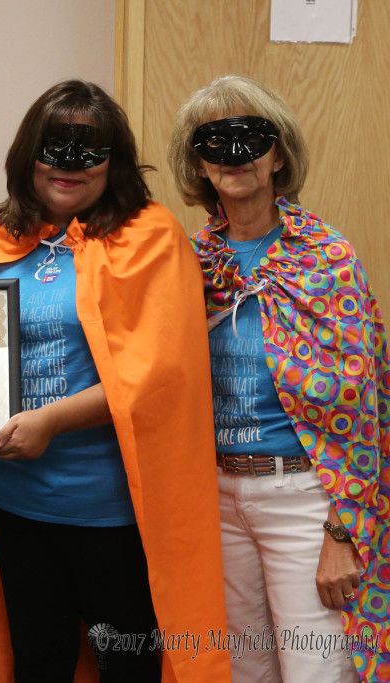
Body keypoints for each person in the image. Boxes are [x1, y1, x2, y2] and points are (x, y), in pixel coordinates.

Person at [0, 80, 230, 682]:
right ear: (28, 155)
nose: (66, 167)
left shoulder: (152, 239)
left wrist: (52, 420)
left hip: (109, 510)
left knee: (127, 667)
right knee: (37, 662)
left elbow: (157, 375)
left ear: (114, 161)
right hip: (14, 499)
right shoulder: (4, 242)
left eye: (87, 151)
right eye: (53, 148)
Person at [168, 74, 388, 682]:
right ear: (199, 163)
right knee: (241, 671)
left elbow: (364, 408)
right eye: (215, 142)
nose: (234, 156)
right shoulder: (189, 262)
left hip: (304, 499)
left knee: (316, 671)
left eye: (251, 137)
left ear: (279, 152)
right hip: (214, 496)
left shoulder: (326, 256)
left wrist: (341, 531)